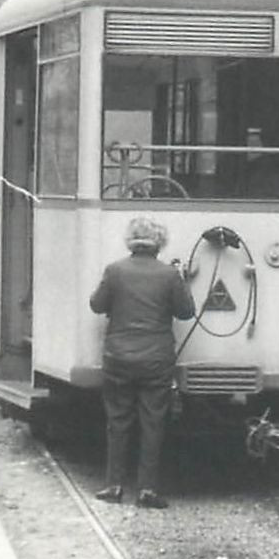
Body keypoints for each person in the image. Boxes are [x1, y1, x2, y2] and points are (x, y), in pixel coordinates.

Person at [88, 216, 196, 509]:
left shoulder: (115, 271)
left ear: (131, 241)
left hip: (119, 357)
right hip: (156, 360)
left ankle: (113, 485)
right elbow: (186, 312)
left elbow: (97, 305)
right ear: (159, 243)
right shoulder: (169, 275)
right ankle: (147, 489)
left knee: (118, 421)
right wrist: (181, 281)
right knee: (153, 422)